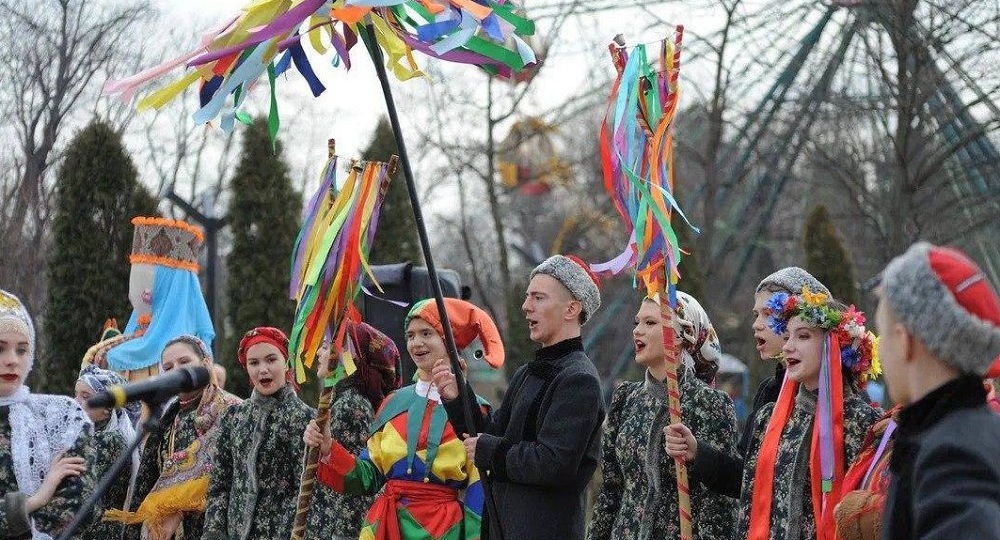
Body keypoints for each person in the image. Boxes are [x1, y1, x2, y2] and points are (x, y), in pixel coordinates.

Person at [433, 254, 606, 540]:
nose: (526, 307)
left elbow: (553, 464)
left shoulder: (579, 380)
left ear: (571, 308)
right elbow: (488, 434)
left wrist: (491, 450)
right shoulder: (527, 373)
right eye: (528, 297)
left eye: (538, 298)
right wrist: (458, 397)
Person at [305, 298, 502, 539]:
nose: (416, 343)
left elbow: (478, 490)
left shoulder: (476, 411)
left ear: (448, 341)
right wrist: (328, 448)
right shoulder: (392, 403)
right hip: (386, 527)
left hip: (444, 530)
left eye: (426, 333)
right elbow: (367, 477)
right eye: (410, 335)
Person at [666, 267, 832, 498]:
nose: (756, 324)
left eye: (768, 313)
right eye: (756, 315)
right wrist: (697, 452)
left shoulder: (836, 396)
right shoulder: (769, 391)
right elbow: (744, 477)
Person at [871, 242, 1000, 538]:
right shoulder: (973, 433)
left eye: (882, 335)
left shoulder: (951, 457)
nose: (879, 351)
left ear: (905, 342)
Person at [731, 287, 880, 540]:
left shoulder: (860, 422)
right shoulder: (768, 419)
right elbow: (749, 505)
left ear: (833, 345)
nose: (788, 347)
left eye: (802, 336)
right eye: (787, 336)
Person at [589, 292, 738, 540]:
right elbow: (611, 490)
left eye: (650, 323)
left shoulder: (710, 403)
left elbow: (719, 503)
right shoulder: (626, 398)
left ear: (681, 336)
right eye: (637, 322)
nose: (637, 330)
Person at [201, 326, 340, 540]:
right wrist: (214, 533)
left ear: (286, 363)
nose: (262, 369)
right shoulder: (234, 417)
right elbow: (220, 484)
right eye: (254, 363)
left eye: (271, 360)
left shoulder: (307, 419)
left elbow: (314, 492)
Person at [110, 335, 241, 540]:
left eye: (184, 362)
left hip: (220, 526)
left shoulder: (233, 410)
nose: (176, 371)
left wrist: (177, 506)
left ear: (205, 363)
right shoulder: (166, 418)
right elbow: (146, 480)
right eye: (168, 368)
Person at [0, 289, 93, 540]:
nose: (12, 361)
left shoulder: (61, 417)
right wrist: (36, 499)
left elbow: (78, 508)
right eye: (0, 349)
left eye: (21, 350)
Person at [310, 321, 401, 540]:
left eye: (324, 347)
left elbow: (353, 487)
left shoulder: (351, 405)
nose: (318, 354)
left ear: (347, 357)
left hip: (342, 528)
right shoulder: (345, 400)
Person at [74, 364, 140, 540]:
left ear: (106, 410)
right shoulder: (89, 438)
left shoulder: (109, 441)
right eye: (76, 395)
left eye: (86, 396)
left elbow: (80, 491)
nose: (77, 402)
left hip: (99, 533)